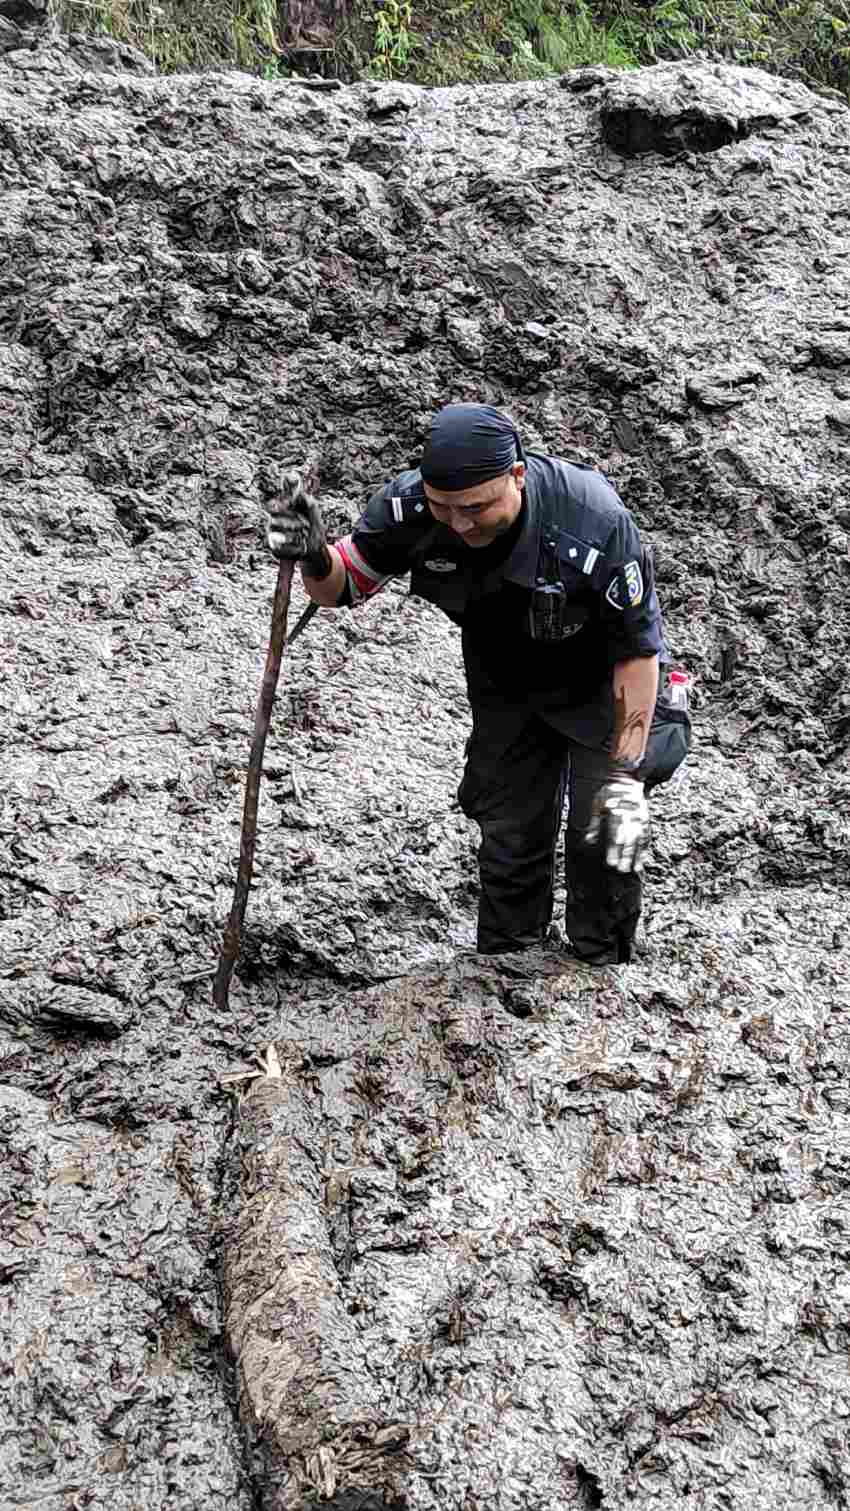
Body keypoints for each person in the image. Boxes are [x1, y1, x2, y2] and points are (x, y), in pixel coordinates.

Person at [265, 404, 690, 965]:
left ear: (517, 476)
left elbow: (637, 652)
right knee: (509, 828)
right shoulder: (412, 509)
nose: (459, 524)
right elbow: (342, 587)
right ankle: (506, 962)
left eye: (475, 508)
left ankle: (604, 966)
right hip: (507, 676)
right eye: (444, 508)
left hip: (605, 681)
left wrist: (627, 768)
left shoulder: (592, 519)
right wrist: (313, 552)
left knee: (606, 832)